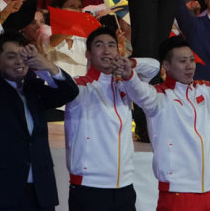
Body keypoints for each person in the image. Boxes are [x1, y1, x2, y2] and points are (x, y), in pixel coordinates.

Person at [114, 36, 210, 211]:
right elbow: (138, 89)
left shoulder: (204, 89)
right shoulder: (157, 96)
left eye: (191, 60)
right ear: (166, 66)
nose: (190, 66)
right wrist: (130, 71)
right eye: (182, 61)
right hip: (177, 193)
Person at [0, 30, 79, 210]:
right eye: (11, 57)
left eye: (23, 56)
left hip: (40, 187)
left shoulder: (35, 89)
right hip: (5, 188)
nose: (19, 62)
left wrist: (47, 67)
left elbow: (70, 92)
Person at [64, 27, 159, 211]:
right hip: (89, 186)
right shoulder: (78, 85)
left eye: (111, 45)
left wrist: (128, 63)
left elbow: (154, 67)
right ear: (88, 54)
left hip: (124, 186)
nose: (107, 50)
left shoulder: (124, 82)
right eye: (99, 46)